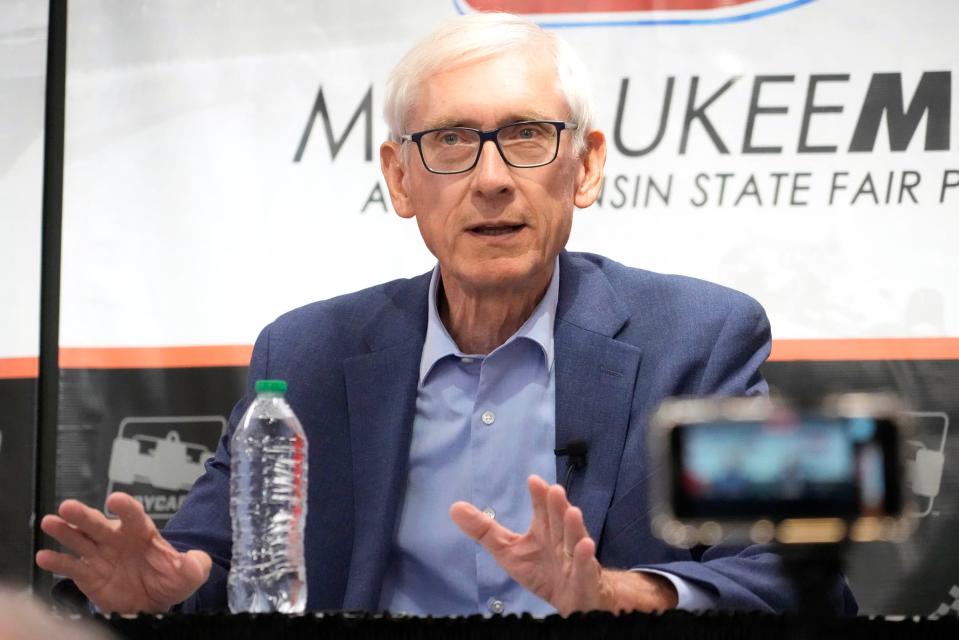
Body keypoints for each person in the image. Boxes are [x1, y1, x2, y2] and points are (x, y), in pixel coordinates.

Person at [36, 12, 855, 617]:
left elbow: (800, 576)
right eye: (452, 142)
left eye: (528, 135)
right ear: (399, 179)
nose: (492, 179)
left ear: (586, 166)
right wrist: (176, 587)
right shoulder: (310, 355)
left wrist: (618, 593)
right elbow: (221, 562)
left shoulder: (696, 339)